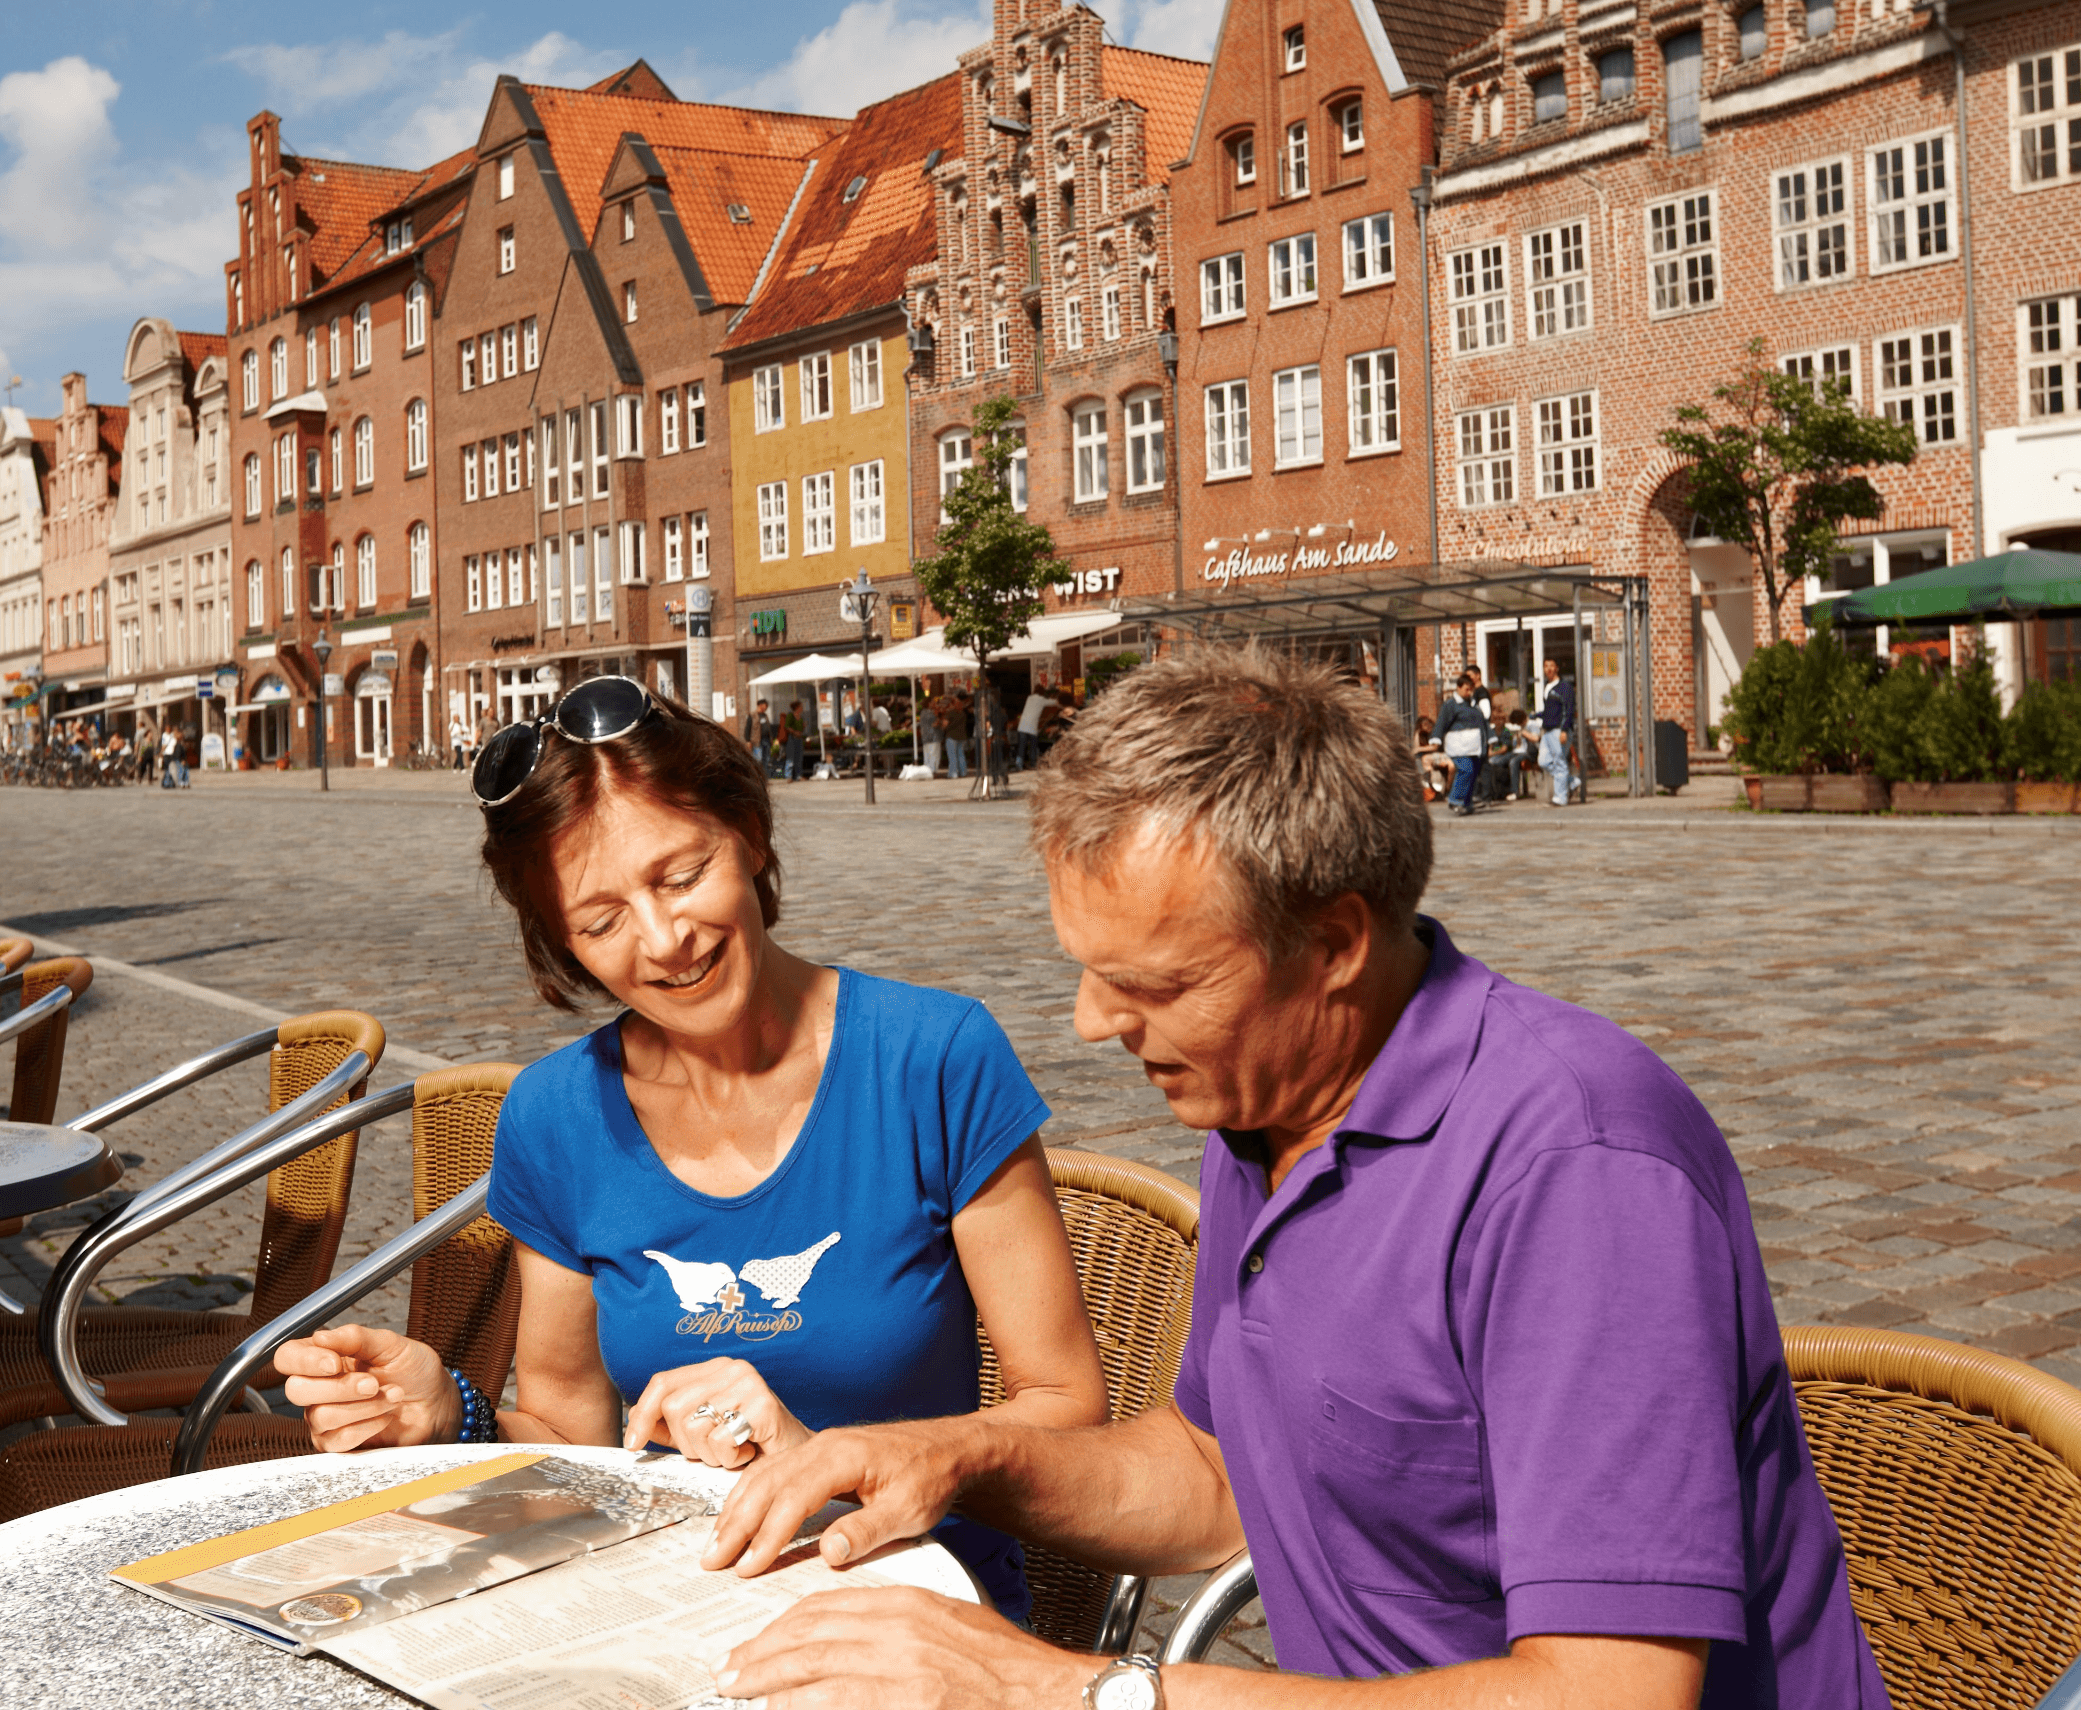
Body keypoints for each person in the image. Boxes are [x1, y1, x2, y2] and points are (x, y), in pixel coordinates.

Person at [706, 644, 1886, 1710]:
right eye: (1091, 970)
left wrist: (1077, 1692)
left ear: (1332, 945)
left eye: (1155, 984)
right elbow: (1220, 1474)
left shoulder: (1575, 1170)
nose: (1089, 1021)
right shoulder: (1269, 1106)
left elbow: (1607, 1691)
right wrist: (956, 1456)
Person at [277, 678, 1109, 1622]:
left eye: (680, 876)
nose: (665, 941)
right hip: (675, 1612)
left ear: (749, 833)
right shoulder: (555, 1115)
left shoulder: (932, 1058)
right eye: (601, 922)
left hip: (920, 1611)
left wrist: (836, 1459)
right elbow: (569, 1436)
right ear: (561, 944)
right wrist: (446, 1416)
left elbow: (1066, 1405)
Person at [1433, 666, 1490, 816]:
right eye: (1466, 689)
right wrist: (1436, 738)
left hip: (1473, 746)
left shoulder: (1473, 705)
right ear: (1458, 687)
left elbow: (1482, 721)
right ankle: (1454, 799)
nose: (1469, 692)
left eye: (1471, 689)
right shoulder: (1450, 705)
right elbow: (1441, 722)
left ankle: (1466, 802)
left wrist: (1490, 737)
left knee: (1473, 772)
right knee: (1466, 770)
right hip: (1458, 746)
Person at [1539, 655, 1577, 807]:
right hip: (1547, 729)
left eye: (1551, 666)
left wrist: (1564, 730)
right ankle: (1571, 781)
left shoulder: (1564, 687)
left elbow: (1569, 709)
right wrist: (1536, 715)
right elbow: (1551, 710)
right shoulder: (1546, 687)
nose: (1548, 669)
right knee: (1543, 761)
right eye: (1545, 666)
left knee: (1560, 763)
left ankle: (1560, 798)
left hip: (1558, 730)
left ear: (1557, 668)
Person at [1013, 685, 1049, 770]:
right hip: (1032, 728)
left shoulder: (1029, 698)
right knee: (1033, 746)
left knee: (1021, 746)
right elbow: (1054, 702)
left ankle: (1019, 764)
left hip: (1022, 727)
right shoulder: (1041, 700)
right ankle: (1033, 764)